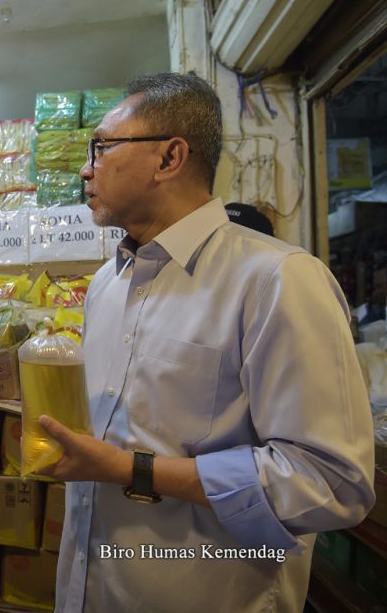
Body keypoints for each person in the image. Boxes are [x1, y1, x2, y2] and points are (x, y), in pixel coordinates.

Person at [37, 73, 374, 611]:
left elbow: (330, 483)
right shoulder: (106, 283)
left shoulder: (275, 278)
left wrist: (131, 470)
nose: (85, 169)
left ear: (169, 157)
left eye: (101, 147)